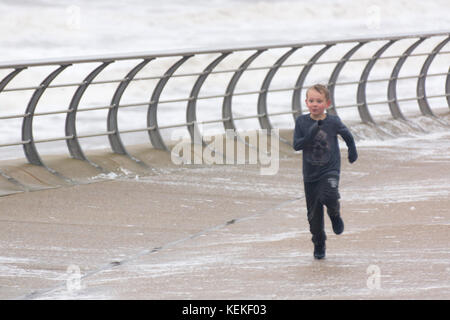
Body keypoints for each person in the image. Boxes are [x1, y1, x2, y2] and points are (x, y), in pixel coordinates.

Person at [293, 84, 358, 259]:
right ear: (306, 102)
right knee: (313, 218)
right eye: (311, 101)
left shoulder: (333, 121)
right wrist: (310, 134)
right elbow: (296, 145)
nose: (315, 104)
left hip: (330, 169)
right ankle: (319, 244)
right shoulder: (301, 122)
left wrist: (352, 151)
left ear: (327, 103)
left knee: (329, 195)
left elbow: (348, 136)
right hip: (310, 174)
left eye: (319, 101)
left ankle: (335, 214)